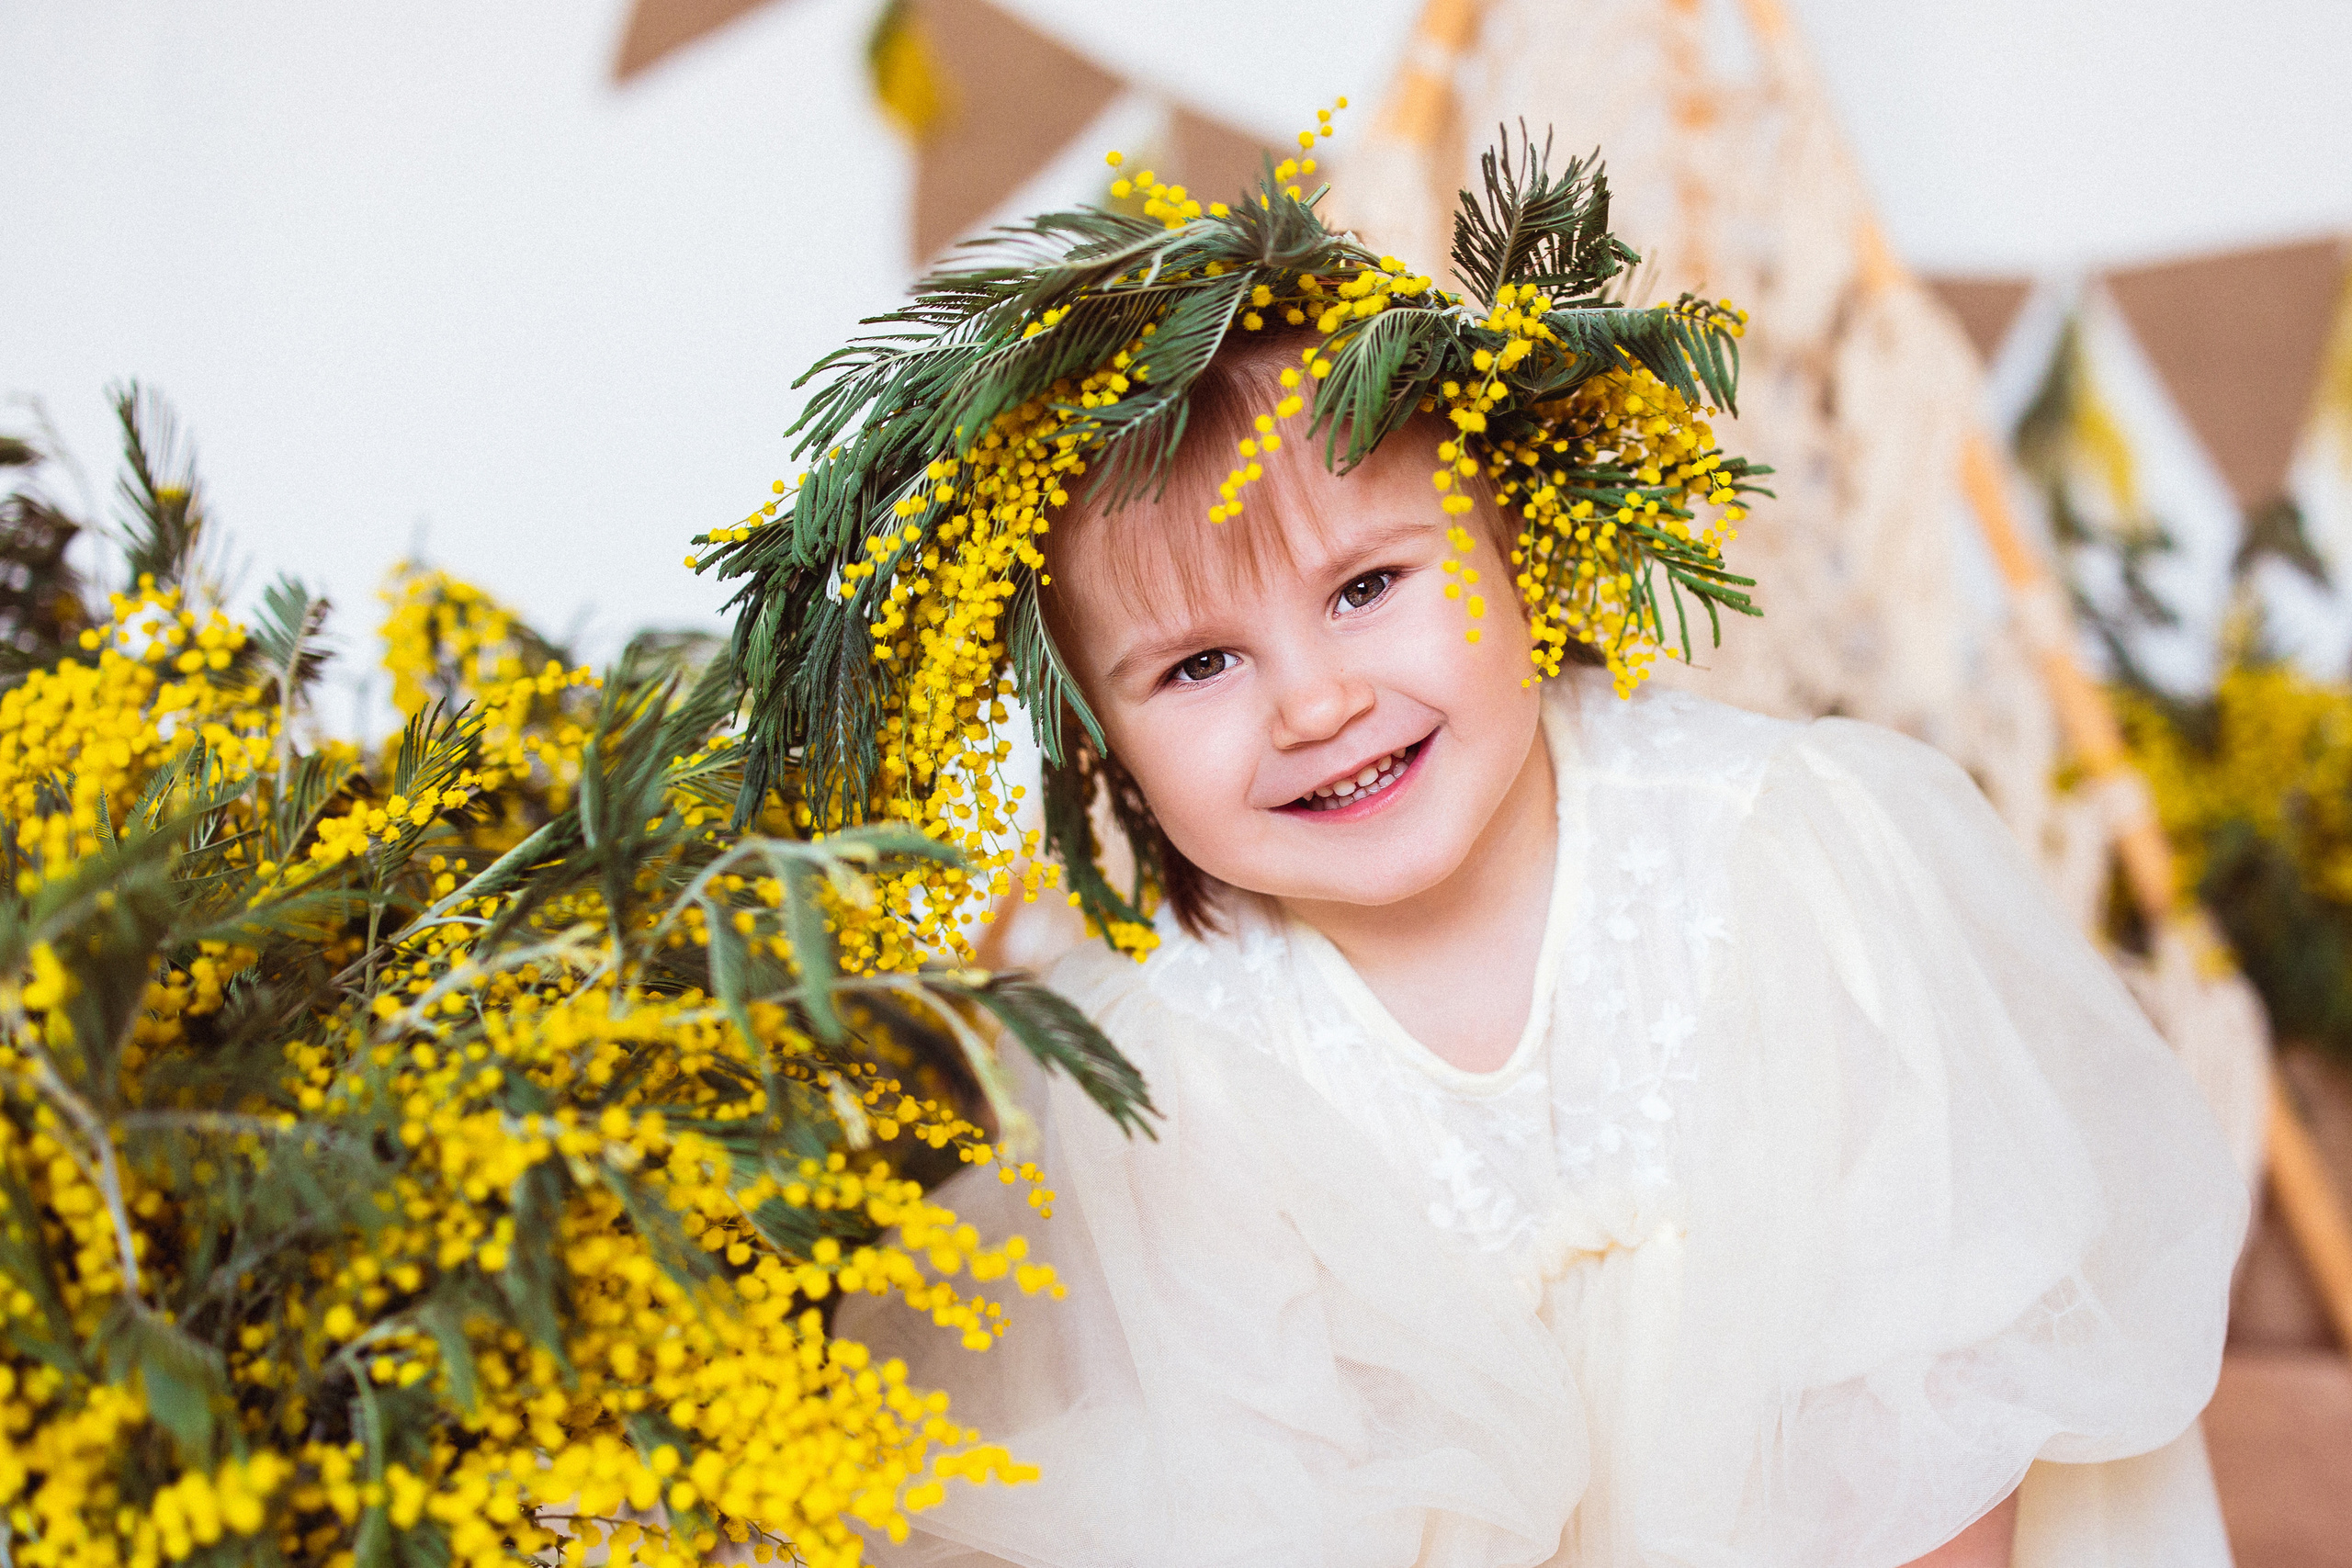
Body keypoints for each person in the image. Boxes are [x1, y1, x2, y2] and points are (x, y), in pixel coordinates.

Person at [714, 120, 2246, 1567]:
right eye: (1197, 667)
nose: (1315, 702)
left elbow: (1940, 1413)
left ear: (1517, 546)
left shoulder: (1783, 861)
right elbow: (1257, 1512)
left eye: (1367, 586)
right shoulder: (1176, 1077)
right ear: (1097, 743)